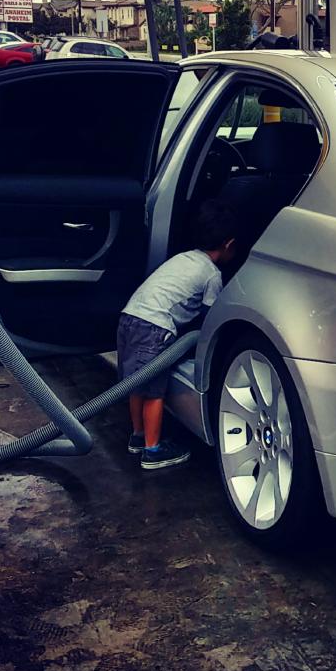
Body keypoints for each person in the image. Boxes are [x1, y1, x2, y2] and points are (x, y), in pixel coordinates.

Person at [117, 200, 237, 470]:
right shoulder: (212, 275)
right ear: (229, 245)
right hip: (155, 328)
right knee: (154, 392)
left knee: (136, 383)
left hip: (130, 316)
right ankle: (153, 450)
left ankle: (137, 436)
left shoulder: (183, 258)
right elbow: (210, 319)